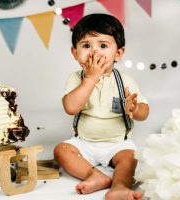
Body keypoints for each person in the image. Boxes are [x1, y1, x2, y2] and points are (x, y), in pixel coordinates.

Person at [54, 13, 149, 200]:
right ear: (75, 53)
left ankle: (119, 186)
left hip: (117, 144)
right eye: (86, 46)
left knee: (131, 158)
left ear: (118, 53)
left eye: (103, 46)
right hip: (83, 142)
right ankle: (94, 175)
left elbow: (144, 112)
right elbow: (71, 108)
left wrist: (135, 108)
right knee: (61, 151)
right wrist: (90, 78)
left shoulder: (125, 80)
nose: (94, 52)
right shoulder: (76, 78)